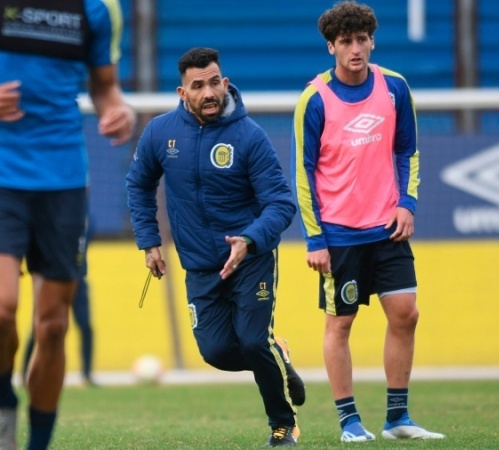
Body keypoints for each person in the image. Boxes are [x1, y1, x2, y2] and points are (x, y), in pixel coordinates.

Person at [0, 0, 135, 448]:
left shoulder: (99, 10)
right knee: (1, 309)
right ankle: (3, 401)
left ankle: (38, 444)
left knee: (54, 326)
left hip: (62, 180)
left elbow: (105, 87)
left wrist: (117, 110)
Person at [127, 47, 305, 448]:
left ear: (224, 82)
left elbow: (281, 202)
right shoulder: (160, 133)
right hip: (201, 266)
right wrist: (149, 241)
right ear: (182, 92)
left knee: (253, 340)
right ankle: (280, 356)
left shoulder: (250, 137)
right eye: (198, 86)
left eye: (214, 82)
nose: (209, 92)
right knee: (217, 352)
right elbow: (138, 185)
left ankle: (282, 424)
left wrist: (249, 239)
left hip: (251, 260)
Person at [291, 1, 444, 442]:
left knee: (406, 313)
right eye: (346, 42)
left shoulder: (395, 88)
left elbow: (407, 151)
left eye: (362, 40)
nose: (355, 49)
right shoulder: (314, 99)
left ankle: (398, 418)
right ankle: (348, 420)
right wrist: (314, 238)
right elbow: (302, 171)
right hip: (339, 234)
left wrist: (407, 203)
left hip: (387, 226)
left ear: (372, 41)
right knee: (341, 324)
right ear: (331, 47)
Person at [22, 234, 96, 387]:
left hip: (78, 278)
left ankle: (86, 375)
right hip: (53, 278)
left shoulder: (84, 219)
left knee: (85, 325)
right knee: (40, 326)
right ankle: (24, 374)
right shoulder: (51, 217)